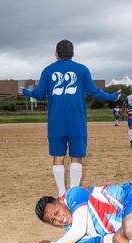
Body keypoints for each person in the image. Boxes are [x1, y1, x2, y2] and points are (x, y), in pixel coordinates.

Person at [20, 40, 121, 197]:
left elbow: (39, 94)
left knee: (58, 156)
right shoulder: (82, 70)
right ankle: (73, 192)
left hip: (56, 121)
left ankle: (61, 193)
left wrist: (27, 92)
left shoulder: (47, 70)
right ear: (73, 54)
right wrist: (112, 96)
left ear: (56, 54)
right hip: (76, 121)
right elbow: (94, 92)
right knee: (76, 157)